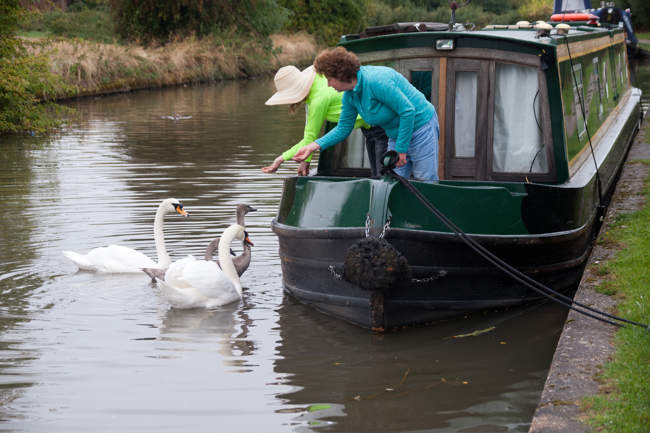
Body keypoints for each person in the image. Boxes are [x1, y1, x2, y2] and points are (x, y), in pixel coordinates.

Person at [292, 47, 439, 181]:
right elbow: (343, 128)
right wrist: (312, 146)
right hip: (395, 134)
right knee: (392, 182)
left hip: (421, 126)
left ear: (341, 75)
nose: (328, 85)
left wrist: (401, 149)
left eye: (330, 79)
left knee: (425, 179)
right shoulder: (350, 96)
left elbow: (408, 111)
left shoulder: (376, 81)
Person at [262, 64, 388, 177]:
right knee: (378, 176)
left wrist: (280, 159)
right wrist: (306, 160)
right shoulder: (317, 79)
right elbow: (310, 137)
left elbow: (309, 139)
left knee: (382, 177)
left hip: (382, 126)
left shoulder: (318, 101)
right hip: (371, 128)